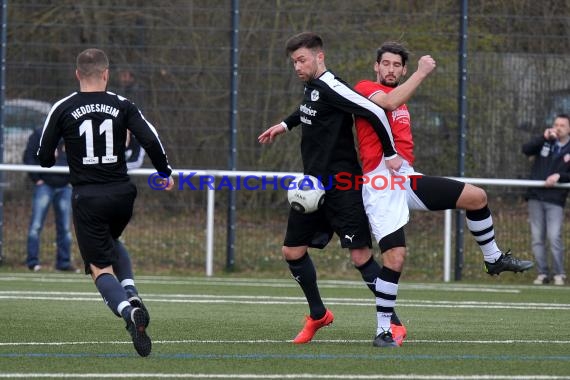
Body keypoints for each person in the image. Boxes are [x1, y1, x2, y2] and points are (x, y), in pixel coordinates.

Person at [352, 41, 534, 345]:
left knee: (476, 197)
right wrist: (422, 73)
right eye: (386, 63)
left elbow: (397, 105)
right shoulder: (366, 87)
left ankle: (493, 259)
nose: (391, 69)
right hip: (380, 186)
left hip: (405, 180)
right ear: (376, 66)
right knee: (395, 258)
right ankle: (383, 330)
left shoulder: (402, 98)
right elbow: (388, 103)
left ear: (403, 69)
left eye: (397, 65)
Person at [258, 32, 404, 348]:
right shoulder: (312, 88)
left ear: (319, 56)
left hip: (342, 186)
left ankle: (392, 323)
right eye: (294, 61)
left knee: (361, 255)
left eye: (302, 60)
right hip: (312, 187)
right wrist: (284, 125)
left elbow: (376, 111)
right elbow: (309, 110)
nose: (297, 66)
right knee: (292, 252)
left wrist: (390, 153)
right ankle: (318, 314)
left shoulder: (333, 86)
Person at [37, 48, 174, 357]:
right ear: (106, 74)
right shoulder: (123, 105)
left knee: (99, 268)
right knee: (111, 241)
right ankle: (133, 295)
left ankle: (128, 312)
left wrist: (60, 149)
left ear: (77, 74)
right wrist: (165, 171)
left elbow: (43, 157)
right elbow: (150, 138)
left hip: (88, 197)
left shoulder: (63, 107)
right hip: (123, 194)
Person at [522, 114, 570, 286]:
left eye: (562, 125)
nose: (558, 127)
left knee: (554, 236)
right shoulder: (545, 142)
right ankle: (543, 273)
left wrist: (560, 176)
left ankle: (559, 274)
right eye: (556, 124)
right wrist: (543, 137)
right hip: (536, 196)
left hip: (555, 199)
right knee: (537, 237)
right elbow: (526, 149)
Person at [23, 127, 75, 272]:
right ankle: (32, 262)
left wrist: (72, 180)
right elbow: (28, 156)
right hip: (44, 185)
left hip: (65, 186)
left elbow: (78, 158)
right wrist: (36, 179)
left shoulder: (70, 133)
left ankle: (63, 263)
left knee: (65, 228)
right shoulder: (39, 134)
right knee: (36, 226)